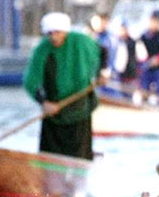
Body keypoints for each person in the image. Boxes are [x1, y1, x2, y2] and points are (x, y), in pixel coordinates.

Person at [23, 12, 101, 160]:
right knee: (50, 155)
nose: (54, 37)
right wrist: (44, 103)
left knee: (79, 155)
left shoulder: (81, 42)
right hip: (53, 110)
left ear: (65, 31)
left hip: (79, 107)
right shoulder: (42, 50)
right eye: (50, 33)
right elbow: (31, 82)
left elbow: (102, 53)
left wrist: (102, 74)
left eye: (57, 33)